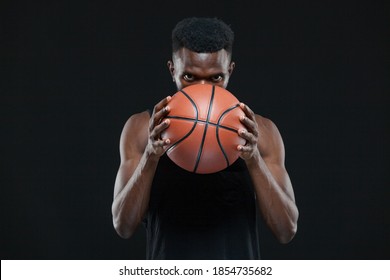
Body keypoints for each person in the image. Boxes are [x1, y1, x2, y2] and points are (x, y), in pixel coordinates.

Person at [111, 17, 299, 259]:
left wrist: (253, 160)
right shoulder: (141, 128)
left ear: (229, 72)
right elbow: (123, 226)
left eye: (215, 78)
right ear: (172, 70)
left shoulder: (261, 131)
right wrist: (150, 156)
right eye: (189, 77)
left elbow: (286, 231)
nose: (202, 89)